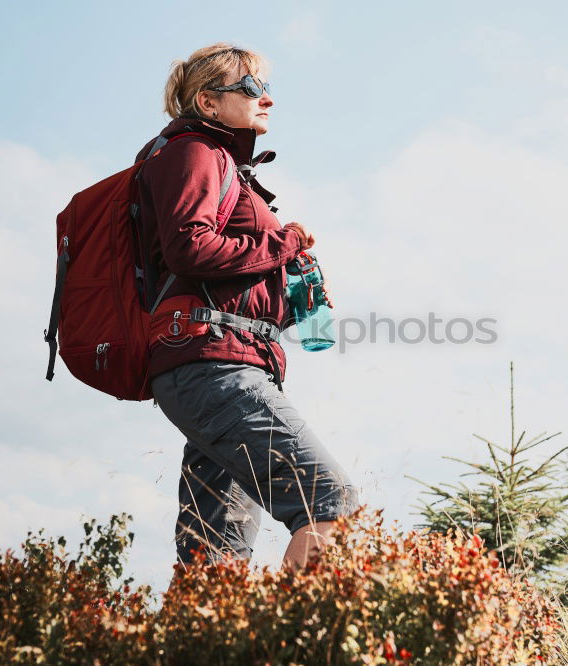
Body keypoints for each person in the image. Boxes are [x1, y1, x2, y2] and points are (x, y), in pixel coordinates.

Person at [135, 43, 358, 571]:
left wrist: (284, 286)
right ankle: (299, 647)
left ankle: (204, 645)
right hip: (214, 368)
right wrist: (285, 245)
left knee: (215, 556)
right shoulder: (195, 153)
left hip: (217, 360)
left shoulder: (218, 163)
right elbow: (190, 246)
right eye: (252, 87)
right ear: (208, 104)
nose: (268, 99)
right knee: (328, 502)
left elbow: (204, 264)